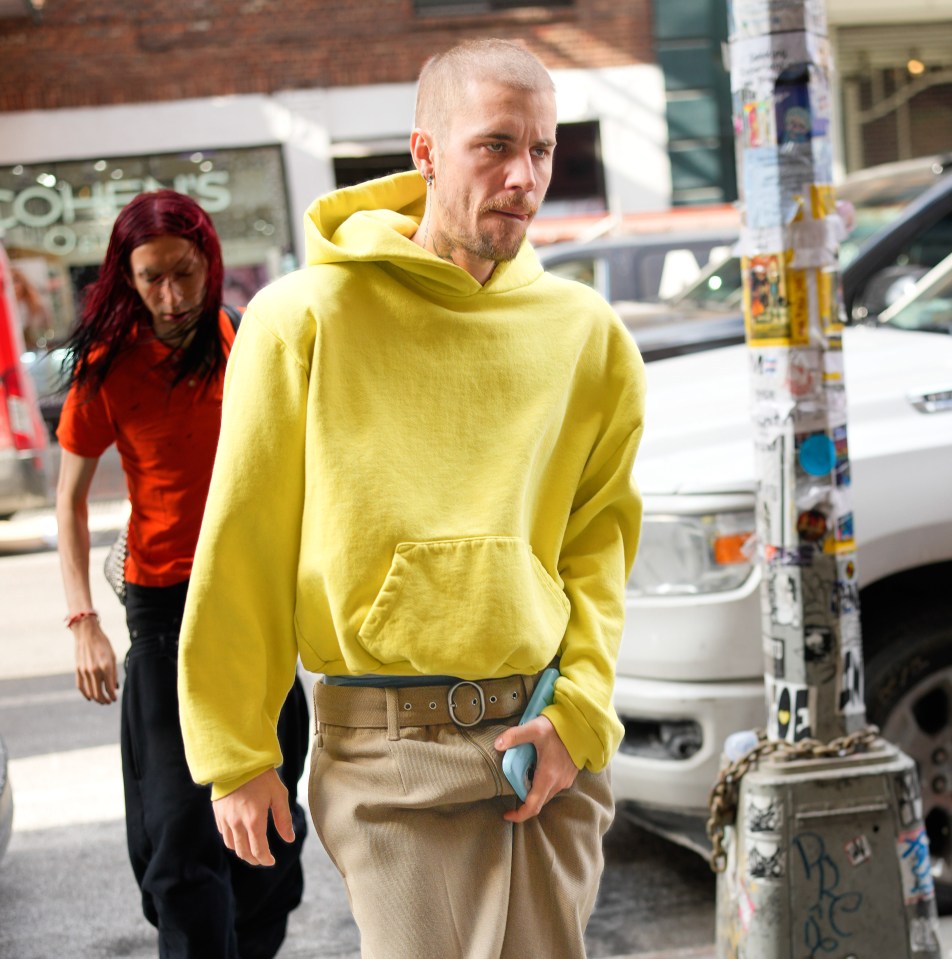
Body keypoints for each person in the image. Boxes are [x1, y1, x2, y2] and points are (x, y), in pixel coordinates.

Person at [179, 38, 645, 959]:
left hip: (545, 743)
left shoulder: (586, 333)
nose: (523, 176)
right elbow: (246, 542)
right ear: (424, 151)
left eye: (543, 150)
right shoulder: (303, 316)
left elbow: (600, 545)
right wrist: (237, 751)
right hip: (389, 753)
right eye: (495, 145)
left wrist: (580, 713)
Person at [55, 189, 309, 959]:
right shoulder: (108, 366)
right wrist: (83, 622)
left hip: (258, 607)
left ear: (210, 261)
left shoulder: (251, 344)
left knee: (269, 825)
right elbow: (67, 502)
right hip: (164, 614)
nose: (170, 296)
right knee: (178, 835)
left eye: (184, 273)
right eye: (150, 278)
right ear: (126, 279)